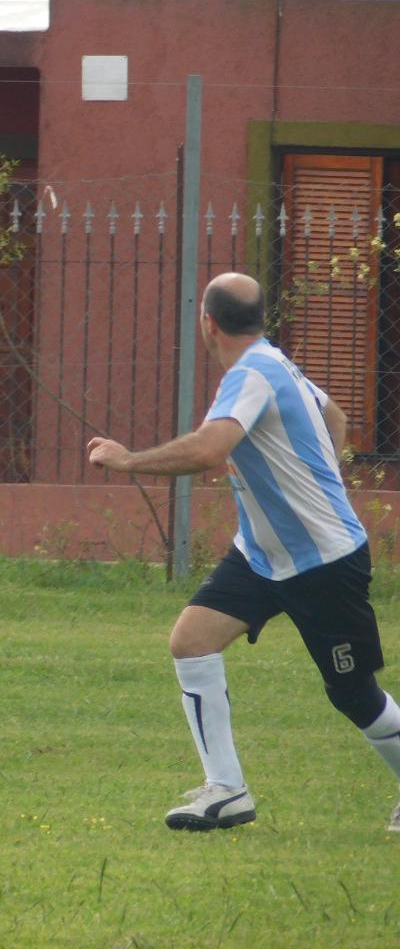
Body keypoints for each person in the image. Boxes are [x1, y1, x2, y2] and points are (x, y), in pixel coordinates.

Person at [87, 272, 400, 833]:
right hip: (260, 555)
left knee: (354, 696)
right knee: (191, 640)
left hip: (324, 561)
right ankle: (227, 791)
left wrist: (128, 459)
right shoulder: (274, 362)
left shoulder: (251, 374)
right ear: (260, 319)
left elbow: (211, 449)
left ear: (207, 323)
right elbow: (335, 417)